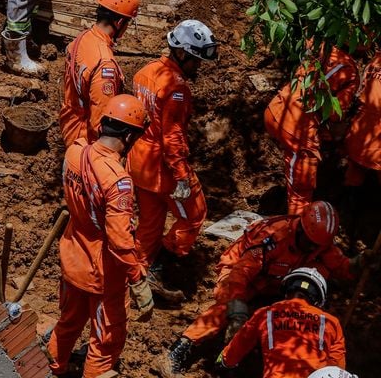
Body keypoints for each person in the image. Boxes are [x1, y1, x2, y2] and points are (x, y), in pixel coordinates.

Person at [157, 201, 357, 377]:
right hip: (239, 271)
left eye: (317, 247)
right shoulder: (273, 237)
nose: (313, 249)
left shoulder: (319, 243)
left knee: (322, 269)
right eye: (310, 244)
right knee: (226, 307)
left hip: (276, 281)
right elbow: (239, 275)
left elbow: (341, 266)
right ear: (301, 230)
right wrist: (237, 314)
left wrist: (362, 264)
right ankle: (180, 349)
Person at [48, 95, 155, 378]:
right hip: (101, 273)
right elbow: (120, 242)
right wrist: (137, 279)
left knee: (68, 323)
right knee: (106, 340)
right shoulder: (117, 180)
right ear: (130, 135)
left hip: (72, 259)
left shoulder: (75, 152)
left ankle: (52, 370)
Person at [128, 20, 218, 299]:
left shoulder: (144, 73)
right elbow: (173, 136)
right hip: (162, 166)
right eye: (195, 61)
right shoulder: (176, 87)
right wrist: (181, 176)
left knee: (150, 223)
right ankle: (161, 269)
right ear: (182, 54)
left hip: (139, 161)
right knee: (194, 213)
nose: (197, 68)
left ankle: (137, 277)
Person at [264, 43, 358, 215]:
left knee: (294, 169)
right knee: (301, 192)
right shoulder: (351, 72)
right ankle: (296, 232)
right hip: (296, 128)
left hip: (276, 109)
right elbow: (334, 114)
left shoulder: (320, 44)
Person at [217, 268, 346, 378]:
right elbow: (336, 367)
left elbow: (242, 341)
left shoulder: (266, 313)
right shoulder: (332, 323)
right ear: (318, 299)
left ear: (287, 290)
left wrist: (225, 361)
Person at [58, 0, 141, 146]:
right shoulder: (105, 65)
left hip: (70, 127)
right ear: (120, 22)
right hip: (86, 142)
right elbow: (100, 122)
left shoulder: (81, 39)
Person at [344, 48, 381, 193]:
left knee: (354, 173)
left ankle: (347, 203)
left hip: (357, 136)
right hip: (376, 143)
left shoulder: (374, 63)